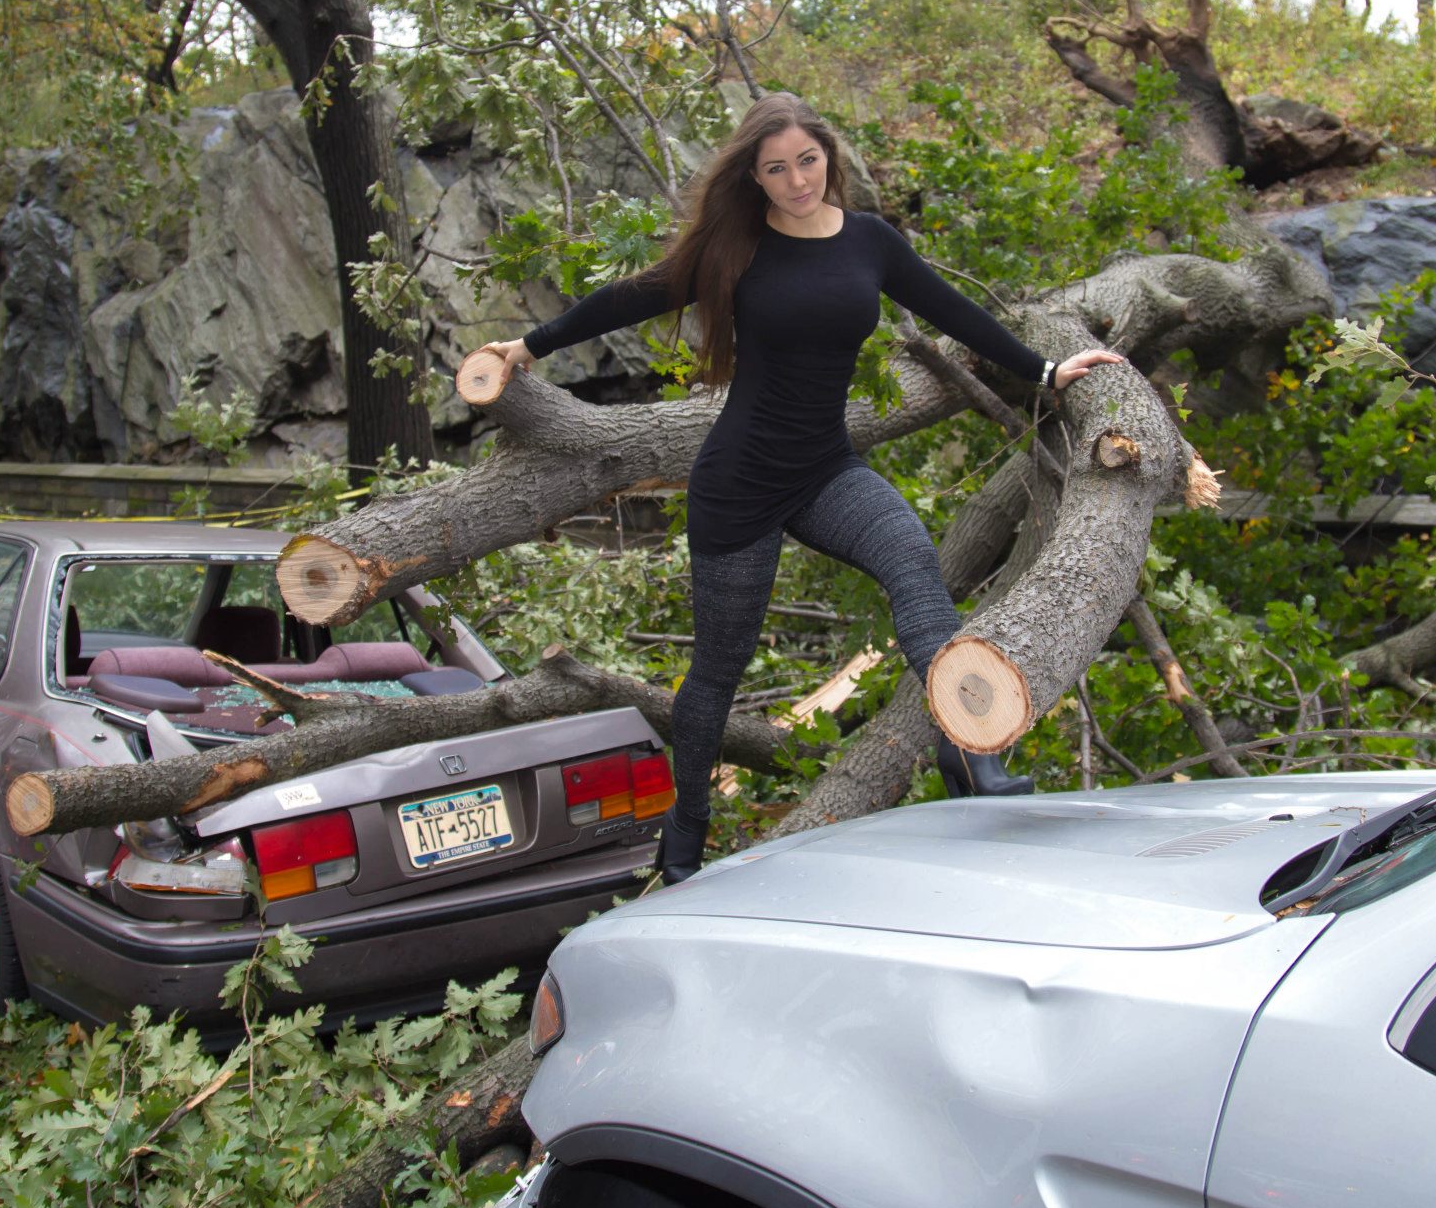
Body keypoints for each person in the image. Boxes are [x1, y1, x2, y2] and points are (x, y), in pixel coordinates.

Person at [478, 94, 1124, 885]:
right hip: (740, 487)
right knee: (719, 672)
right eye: (776, 169)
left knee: (917, 575)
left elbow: (952, 310)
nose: (796, 181)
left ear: (830, 156)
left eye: (808, 162)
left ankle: (973, 757)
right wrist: (531, 344)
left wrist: (1048, 371)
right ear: (753, 176)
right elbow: (635, 294)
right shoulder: (735, 247)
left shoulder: (870, 242)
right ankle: (683, 838)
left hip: (826, 469)